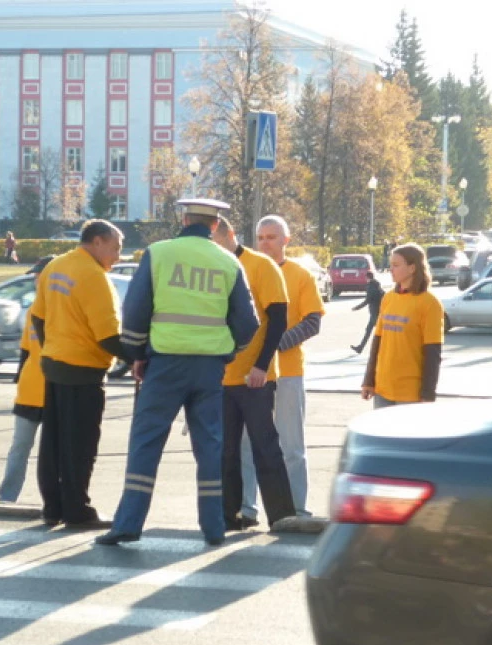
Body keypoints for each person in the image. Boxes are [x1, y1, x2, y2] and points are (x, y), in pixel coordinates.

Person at [95, 199, 259, 547]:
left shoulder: (158, 253)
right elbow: (248, 324)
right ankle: (214, 528)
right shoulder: (229, 262)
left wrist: (137, 355)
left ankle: (128, 523)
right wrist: (228, 352)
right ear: (215, 226)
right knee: (210, 446)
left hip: (165, 364)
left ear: (183, 220)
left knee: (146, 442)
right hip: (208, 367)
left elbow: (136, 310)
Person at [30, 219, 132, 530]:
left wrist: (53, 348)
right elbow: (109, 338)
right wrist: (142, 359)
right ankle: (77, 509)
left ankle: (52, 507)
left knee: (53, 443)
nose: (117, 256)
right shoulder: (94, 277)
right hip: (84, 370)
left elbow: (37, 317)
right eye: (115, 248)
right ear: (98, 242)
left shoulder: (56, 266)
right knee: (81, 446)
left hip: (55, 364)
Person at [212, 216, 296, 532]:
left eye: (217, 240)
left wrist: (261, 365)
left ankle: (282, 516)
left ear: (230, 235)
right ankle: (228, 516)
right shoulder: (213, 266)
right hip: (221, 376)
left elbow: (277, 321)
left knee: (265, 447)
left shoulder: (262, 266)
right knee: (225, 451)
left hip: (255, 378)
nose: (214, 247)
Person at [239, 215, 324, 521]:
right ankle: (245, 508)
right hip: (251, 373)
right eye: (260, 237)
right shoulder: (245, 270)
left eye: (272, 237)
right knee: (245, 444)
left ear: (286, 241)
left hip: (287, 372)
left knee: (291, 445)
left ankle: (295, 509)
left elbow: (312, 321)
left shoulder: (300, 275)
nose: (265, 243)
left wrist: (273, 345)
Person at [0, 255, 55, 503]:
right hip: (30, 390)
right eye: (34, 275)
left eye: (39, 275)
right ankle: (7, 498)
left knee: (51, 453)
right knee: (19, 448)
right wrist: (19, 380)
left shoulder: (64, 309)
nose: (34, 279)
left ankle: (53, 500)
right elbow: (26, 350)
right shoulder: (33, 310)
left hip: (55, 390)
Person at [361, 243, 444, 408]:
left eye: (396, 265)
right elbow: (377, 342)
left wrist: (428, 393)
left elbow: (433, 353)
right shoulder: (388, 298)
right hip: (382, 389)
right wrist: (368, 381)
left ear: (412, 268)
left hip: (410, 393)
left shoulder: (430, 303)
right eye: (391, 264)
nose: (390, 269)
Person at [350, 270, 383, 354]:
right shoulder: (377, 285)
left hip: (374, 313)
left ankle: (363, 348)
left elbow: (367, 300)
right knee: (370, 330)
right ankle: (360, 348)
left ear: (367, 277)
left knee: (377, 332)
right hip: (378, 311)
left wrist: (356, 308)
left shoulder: (370, 287)